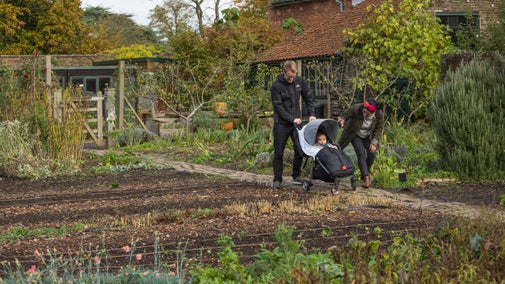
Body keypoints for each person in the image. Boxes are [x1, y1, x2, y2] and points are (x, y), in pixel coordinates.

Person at [271, 60, 316, 189]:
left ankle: (296, 175)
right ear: (284, 72)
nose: (291, 79)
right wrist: (291, 119)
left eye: (293, 76)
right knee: (279, 151)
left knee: (300, 149)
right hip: (281, 123)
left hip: (296, 123)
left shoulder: (299, 81)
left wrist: (311, 114)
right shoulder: (276, 86)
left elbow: (308, 98)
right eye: (289, 77)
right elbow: (278, 107)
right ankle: (277, 178)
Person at [337, 98, 384, 188]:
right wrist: (342, 120)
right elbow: (345, 114)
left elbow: (379, 128)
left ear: (373, 113)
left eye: (367, 113)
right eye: (364, 110)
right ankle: (366, 177)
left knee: (372, 154)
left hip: (368, 136)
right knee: (361, 153)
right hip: (355, 134)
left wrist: (374, 142)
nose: (364, 113)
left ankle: (364, 173)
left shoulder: (379, 114)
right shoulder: (357, 108)